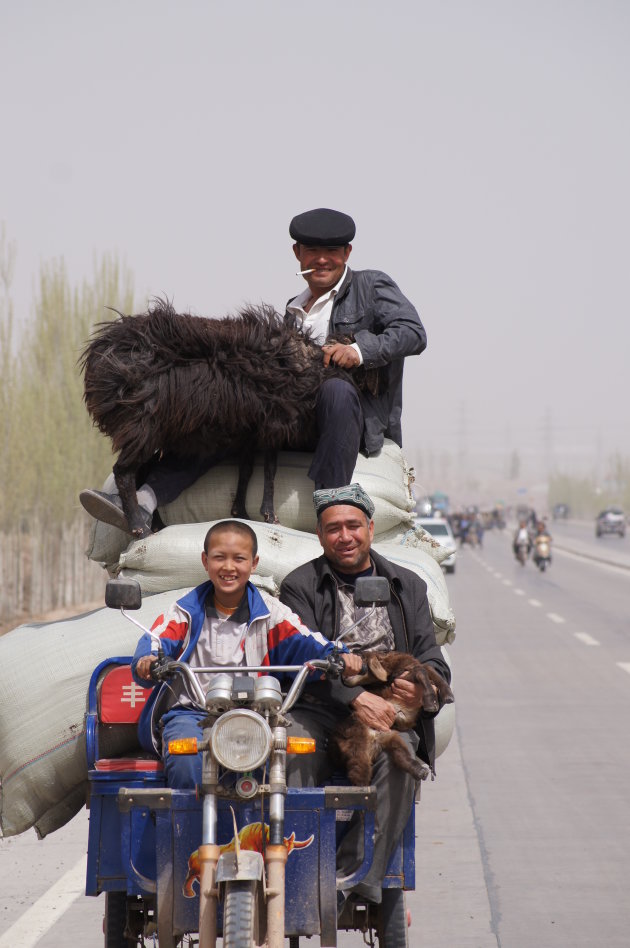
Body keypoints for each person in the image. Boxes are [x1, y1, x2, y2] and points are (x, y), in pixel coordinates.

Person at [79, 207, 427, 534]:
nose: (322, 259)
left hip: (347, 420)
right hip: (294, 418)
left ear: (347, 253)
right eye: (312, 250)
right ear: (297, 253)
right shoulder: (293, 308)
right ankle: (145, 498)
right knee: (226, 404)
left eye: (332, 250)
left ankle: (331, 508)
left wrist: (359, 350)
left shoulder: (372, 287)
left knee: (335, 389)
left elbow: (413, 332)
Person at [278, 483, 452, 913]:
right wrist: (354, 700)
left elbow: (433, 655)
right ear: (320, 536)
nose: (345, 536)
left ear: (371, 529)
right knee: (289, 747)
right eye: (333, 528)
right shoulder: (300, 585)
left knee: (402, 758)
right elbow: (299, 657)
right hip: (320, 709)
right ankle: (298, 873)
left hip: (387, 716)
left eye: (353, 525)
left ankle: (356, 880)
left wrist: (418, 689)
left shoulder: (404, 586)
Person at [130, 519, 362, 787]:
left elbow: (306, 641)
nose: (229, 567)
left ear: (254, 563)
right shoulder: (184, 612)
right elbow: (156, 641)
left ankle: (272, 827)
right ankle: (187, 828)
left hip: (258, 715)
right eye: (219, 558)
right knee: (186, 761)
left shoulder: (272, 613)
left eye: (239, 559)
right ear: (205, 561)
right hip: (194, 714)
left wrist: (338, 655)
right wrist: (149, 661)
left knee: (283, 762)